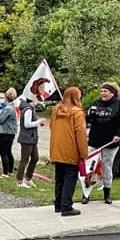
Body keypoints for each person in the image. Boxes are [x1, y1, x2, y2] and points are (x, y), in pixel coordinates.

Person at [82, 82, 120, 205]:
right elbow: (88, 120)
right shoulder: (96, 103)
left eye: (105, 91)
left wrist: (118, 135)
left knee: (107, 167)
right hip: (94, 141)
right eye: (102, 91)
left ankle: (107, 193)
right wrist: (88, 116)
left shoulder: (119, 105)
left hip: (111, 142)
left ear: (112, 93)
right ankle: (86, 193)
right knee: (89, 167)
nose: (103, 93)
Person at [49, 87, 88, 217]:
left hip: (56, 148)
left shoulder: (55, 110)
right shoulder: (77, 113)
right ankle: (66, 206)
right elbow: (81, 134)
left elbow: (51, 127)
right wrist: (83, 154)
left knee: (59, 177)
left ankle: (58, 204)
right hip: (71, 150)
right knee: (70, 178)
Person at [16, 98, 47, 188]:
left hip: (32, 137)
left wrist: (38, 122)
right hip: (26, 138)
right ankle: (19, 180)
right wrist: (38, 122)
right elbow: (27, 124)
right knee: (24, 159)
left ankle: (28, 178)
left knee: (35, 158)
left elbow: (32, 122)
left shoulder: (31, 109)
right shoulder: (28, 110)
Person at [0, 88, 18, 178]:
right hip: (11, 133)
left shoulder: (8, 108)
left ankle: (5, 173)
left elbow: (1, 120)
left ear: (6, 97)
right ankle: (10, 170)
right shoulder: (13, 107)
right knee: (9, 151)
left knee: (3, 152)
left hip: (5, 132)